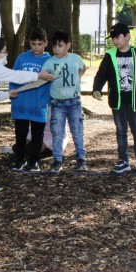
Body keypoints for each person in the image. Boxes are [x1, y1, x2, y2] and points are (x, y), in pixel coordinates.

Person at [0, 37, 54, 197]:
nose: (7, 54)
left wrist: (7, 94)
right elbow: (16, 75)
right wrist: (38, 75)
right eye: (5, 51)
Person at [92, 23, 136, 173]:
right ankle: (123, 161)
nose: (115, 41)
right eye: (113, 38)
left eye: (118, 37)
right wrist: (97, 89)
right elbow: (101, 74)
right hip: (118, 102)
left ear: (127, 36)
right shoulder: (110, 55)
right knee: (121, 131)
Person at [41, 30, 87, 173]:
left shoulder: (75, 58)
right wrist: (46, 77)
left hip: (74, 102)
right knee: (57, 132)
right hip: (57, 103)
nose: (56, 49)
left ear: (68, 45)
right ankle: (57, 161)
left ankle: (81, 159)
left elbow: (83, 68)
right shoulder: (50, 61)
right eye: (54, 46)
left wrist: (78, 79)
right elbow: (42, 74)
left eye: (60, 46)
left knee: (77, 131)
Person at [9, 27, 52, 172]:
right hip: (21, 104)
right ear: (29, 43)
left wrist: (44, 101)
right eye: (33, 44)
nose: (36, 47)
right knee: (20, 135)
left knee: (37, 136)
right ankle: (19, 160)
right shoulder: (22, 58)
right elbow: (14, 77)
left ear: (45, 43)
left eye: (39, 44)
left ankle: (34, 161)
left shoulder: (49, 61)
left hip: (38, 106)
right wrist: (12, 94)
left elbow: (51, 84)